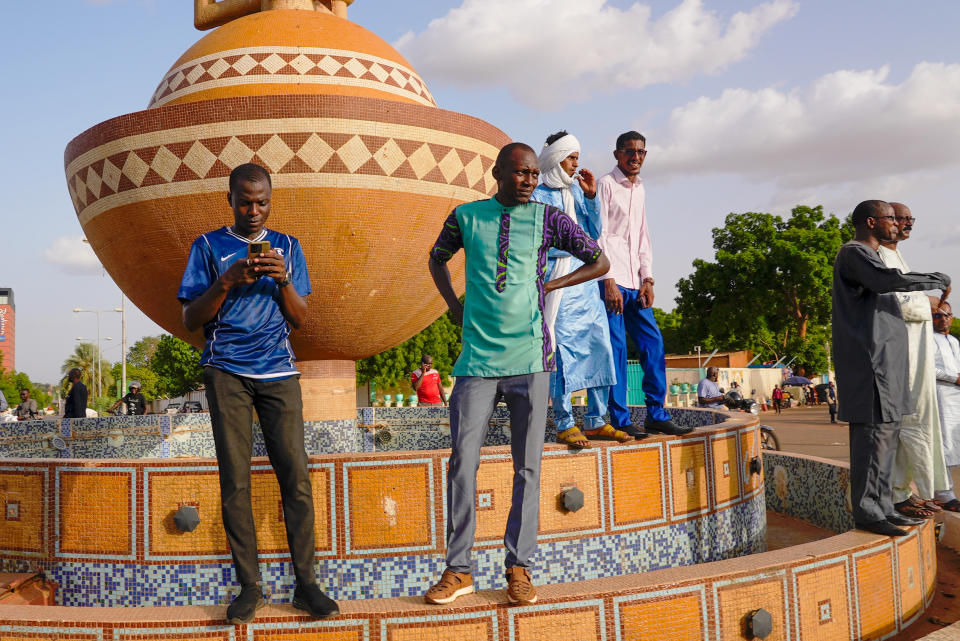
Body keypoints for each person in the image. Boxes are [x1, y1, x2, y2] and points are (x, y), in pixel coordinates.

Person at [425, 142, 610, 606]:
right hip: (476, 364)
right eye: (520, 173)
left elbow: (599, 260)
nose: (528, 181)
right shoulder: (466, 216)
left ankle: (519, 566)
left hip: (532, 360)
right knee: (462, 463)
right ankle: (458, 569)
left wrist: (552, 283)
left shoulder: (548, 218)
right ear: (498, 172)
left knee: (527, 467)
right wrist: (452, 305)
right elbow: (436, 258)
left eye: (532, 174)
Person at [178, 163, 338, 624]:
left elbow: (301, 320)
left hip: (278, 371)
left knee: (296, 478)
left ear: (271, 200)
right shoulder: (208, 246)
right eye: (245, 201)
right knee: (236, 480)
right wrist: (227, 281)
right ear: (229, 199)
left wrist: (283, 279)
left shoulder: (287, 247)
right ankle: (250, 587)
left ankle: (306, 585)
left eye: (262, 202)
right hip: (226, 371)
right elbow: (191, 319)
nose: (254, 210)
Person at [832, 199, 950, 536]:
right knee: (872, 440)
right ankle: (868, 513)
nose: (897, 225)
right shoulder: (855, 253)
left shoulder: (874, 254)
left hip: (889, 363)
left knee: (887, 439)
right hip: (870, 363)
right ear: (871, 222)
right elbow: (886, 281)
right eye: (891, 219)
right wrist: (932, 279)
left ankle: (883, 508)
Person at [531, 131, 621, 449]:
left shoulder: (577, 193)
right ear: (556, 159)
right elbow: (537, 242)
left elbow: (594, 233)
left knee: (600, 344)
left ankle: (597, 420)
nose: (575, 164)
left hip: (585, 280)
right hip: (559, 282)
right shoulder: (538, 195)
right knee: (564, 353)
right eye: (571, 158)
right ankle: (565, 422)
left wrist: (593, 197)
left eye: (576, 158)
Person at [597, 131, 690, 437]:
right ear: (617, 154)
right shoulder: (606, 185)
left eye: (640, 152)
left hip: (636, 283)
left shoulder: (641, 188)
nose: (635, 157)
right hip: (611, 280)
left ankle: (656, 413)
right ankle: (621, 419)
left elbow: (642, 236)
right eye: (629, 151)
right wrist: (607, 279)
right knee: (617, 350)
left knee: (653, 344)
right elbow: (599, 234)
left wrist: (647, 277)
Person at [877, 203, 950, 520]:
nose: (905, 224)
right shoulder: (874, 257)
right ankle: (897, 494)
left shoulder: (897, 258)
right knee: (906, 424)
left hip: (915, 353)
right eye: (897, 218)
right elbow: (890, 302)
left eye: (909, 219)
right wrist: (928, 301)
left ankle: (907, 491)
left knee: (917, 422)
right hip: (898, 355)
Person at [931, 299, 960, 512]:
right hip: (940, 395)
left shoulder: (954, 341)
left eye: (947, 315)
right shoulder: (927, 340)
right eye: (938, 315)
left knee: (954, 441)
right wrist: (953, 378)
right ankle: (944, 495)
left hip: (956, 396)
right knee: (943, 445)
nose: (943, 319)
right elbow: (927, 369)